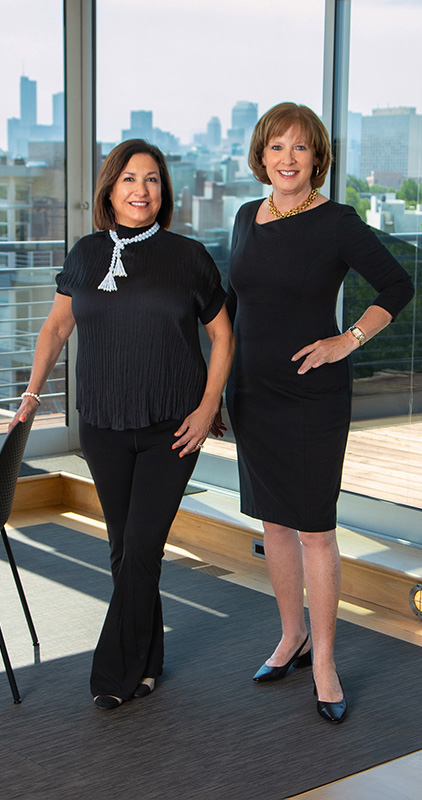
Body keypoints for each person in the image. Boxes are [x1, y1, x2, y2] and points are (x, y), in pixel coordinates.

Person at [12, 139, 235, 711]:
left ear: (164, 191)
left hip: (173, 427)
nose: (142, 190)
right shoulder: (86, 253)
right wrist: (33, 393)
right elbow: (56, 328)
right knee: (124, 549)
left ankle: (113, 673)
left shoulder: (189, 256)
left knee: (140, 547)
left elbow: (222, 335)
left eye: (153, 179)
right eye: (130, 179)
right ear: (110, 189)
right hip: (103, 424)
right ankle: (148, 663)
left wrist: (208, 407)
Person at [226, 103, 414, 723]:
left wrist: (346, 340)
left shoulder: (337, 222)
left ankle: (326, 662)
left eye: (301, 147)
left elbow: (398, 285)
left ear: (316, 159)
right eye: (277, 146)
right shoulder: (245, 218)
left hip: (312, 396)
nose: (288, 158)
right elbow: (233, 305)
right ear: (262, 155)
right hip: (252, 393)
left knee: (313, 527)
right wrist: (215, 384)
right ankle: (292, 637)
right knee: (275, 523)